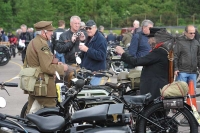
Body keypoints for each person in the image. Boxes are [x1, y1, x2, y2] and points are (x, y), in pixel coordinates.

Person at [115, 28, 172, 101]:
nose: (148, 41)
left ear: (155, 39)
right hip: (156, 86)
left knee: (151, 110)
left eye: (149, 38)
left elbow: (136, 61)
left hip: (154, 88)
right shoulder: (162, 50)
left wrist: (122, 53)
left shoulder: (159, 52)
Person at [25, 21, 69, 113]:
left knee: (31, 111)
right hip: (43, 85)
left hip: (35, 83)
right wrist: (62, 68)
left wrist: (56, 64)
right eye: (50, 31)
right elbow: (47, 67)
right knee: (50, 112)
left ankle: (26, 125)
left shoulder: (33, 41)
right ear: (43, 32)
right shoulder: (42, 44)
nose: (52, 33)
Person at [79, 20, 107, 85]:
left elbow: (102, 56)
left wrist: (87, 50)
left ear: (95, 28)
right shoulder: (89, 38)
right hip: (88, 71)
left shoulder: (101, 39)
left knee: (92, 93)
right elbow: (85, 53)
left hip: (96, 72)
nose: (88, 30)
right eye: (86, 28)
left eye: (90, 28)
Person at [174, 25, 200, 90]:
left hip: (193, 72)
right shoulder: (179, 42)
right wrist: (175, 68)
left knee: (192, 94)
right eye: (191, 33)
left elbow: (198, 56)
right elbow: (175, 56)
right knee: (181, 92)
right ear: (185, 33)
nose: (193, 34)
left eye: (194, 33)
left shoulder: (196, 43)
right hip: (182, 72)